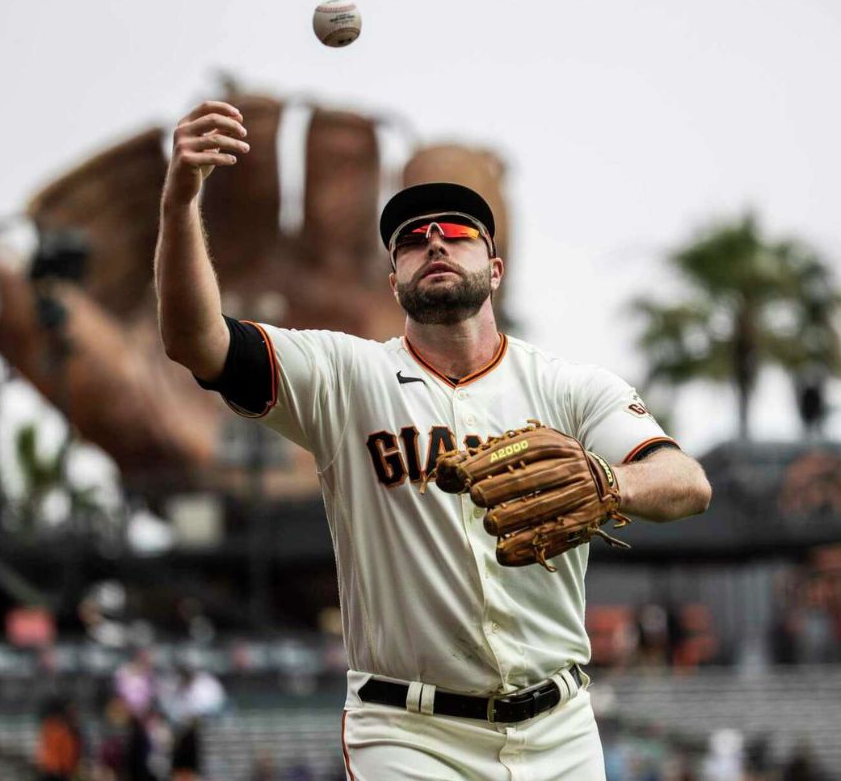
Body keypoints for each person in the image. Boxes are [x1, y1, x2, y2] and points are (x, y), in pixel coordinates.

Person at [156, 100, 712, 779]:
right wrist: (181, 201)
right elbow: (196, 340)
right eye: (413, 240)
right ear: (395, 282)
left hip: (560, 732)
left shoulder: (569, 388)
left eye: (455, 231)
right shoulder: (346, 376)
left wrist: (611, 482)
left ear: (495, 268)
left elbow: (686, 482)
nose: (435, 242)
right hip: (410, 732)